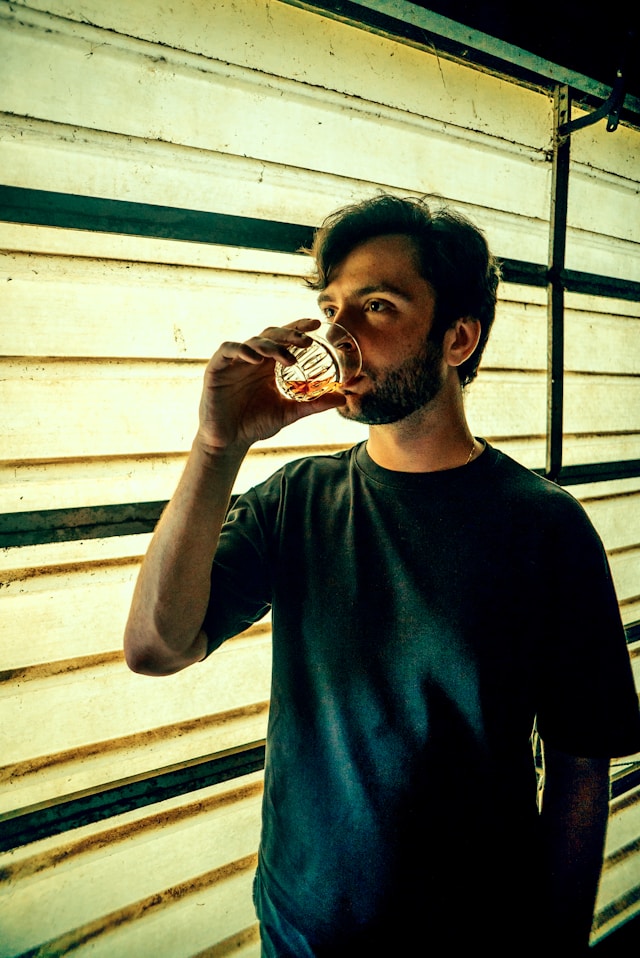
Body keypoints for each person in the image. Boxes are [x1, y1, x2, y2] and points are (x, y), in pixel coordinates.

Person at [124, 194, 640, 955]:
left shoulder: (545, 527)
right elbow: (155, 648)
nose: (339, 337)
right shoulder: (297, 502)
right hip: (301, 934)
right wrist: (216, 445)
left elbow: (579, 767)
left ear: (457, 337)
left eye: (377, 307)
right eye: (331, 310)